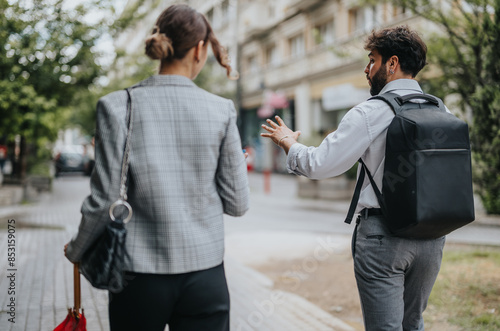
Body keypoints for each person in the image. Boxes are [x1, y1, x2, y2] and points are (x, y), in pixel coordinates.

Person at [64, 4, 249, 331]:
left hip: (137, 276)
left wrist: (78, 249)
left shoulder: (116, 106)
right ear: (200, 49)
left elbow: (105, 199)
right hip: (205, 273)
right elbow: (237, 204)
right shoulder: (222, 110)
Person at [261, 26, 446, 331]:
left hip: (383, 237)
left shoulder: (370, 113)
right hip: (433, 237)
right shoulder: (441, 109)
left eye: (372, 60)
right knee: (413, 324)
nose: (366, 68)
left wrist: (287, 143)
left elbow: (320, 164)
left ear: (392, 63)